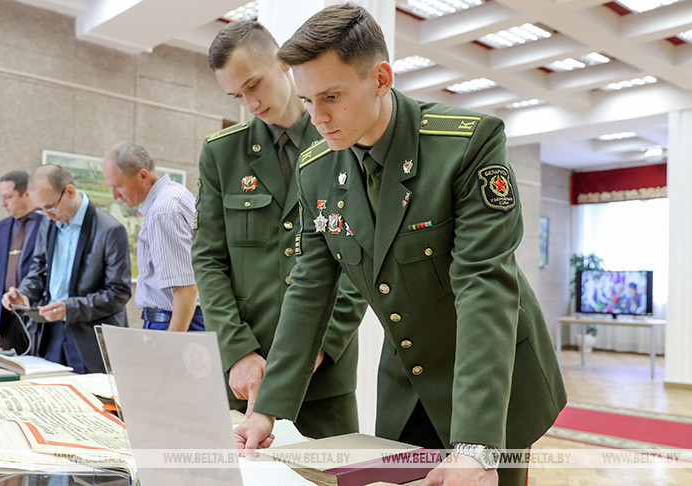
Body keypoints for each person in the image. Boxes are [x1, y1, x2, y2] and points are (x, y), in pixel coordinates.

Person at [233, 5, 567, 486]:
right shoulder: (318, 169)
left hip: (493, 380)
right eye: (306, 101)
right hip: (408, 377)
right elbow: (309, 288)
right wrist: (267, 410)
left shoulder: (465, 147)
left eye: (331, 96)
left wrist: (476, 446)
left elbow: (484, 289)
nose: (318, 117)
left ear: (381, 79)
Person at [192, 20, 367, 439]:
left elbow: (361, 258)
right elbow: (208, 259)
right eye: (236, 95)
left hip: (324, 375)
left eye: (254, 85)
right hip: (247, 372)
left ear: (284, 65)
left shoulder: (344, 142)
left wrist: (318, 345)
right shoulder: (223, 154)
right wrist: (237, 351)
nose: (249, 103)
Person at [2, 165, 131, 374]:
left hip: (89, 340)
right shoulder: (49, 222)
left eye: (50, 207)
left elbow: (119, 293)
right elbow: (39, 268)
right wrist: (24, 293)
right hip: (50, 334)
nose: (47, 215)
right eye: (41, 209)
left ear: (70, 192)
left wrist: (71, 308)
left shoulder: (110, 230)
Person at [102, 141, 203, 332]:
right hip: (178, 320)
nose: (115, 195)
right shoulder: (175, 194)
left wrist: (173, 342)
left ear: (143, 175)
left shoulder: (163, 211)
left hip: (174, 322)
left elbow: (186, 287)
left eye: (118, 186)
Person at [0, 171, 42, 354]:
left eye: (8, 197)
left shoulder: (47, 224)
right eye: (2, 197)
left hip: (35, 315)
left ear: (26, 193)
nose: (3, 203)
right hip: (7, 316)